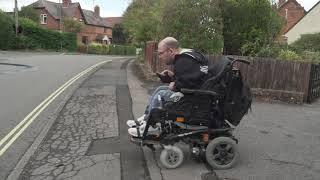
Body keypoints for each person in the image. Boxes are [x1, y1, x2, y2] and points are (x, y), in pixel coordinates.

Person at [127, 37, 209, 137]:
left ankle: (150, 126)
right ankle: (146, 117)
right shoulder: (189, 56)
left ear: (170, 51)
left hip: (192, 98)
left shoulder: (183, 61)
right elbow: (192, 77)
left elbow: (189, 83)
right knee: (160, 89)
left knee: (161, 95)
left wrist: (175, 85)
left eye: (161, 53)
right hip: (195, 93)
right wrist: (173, 77)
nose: (159, 57)